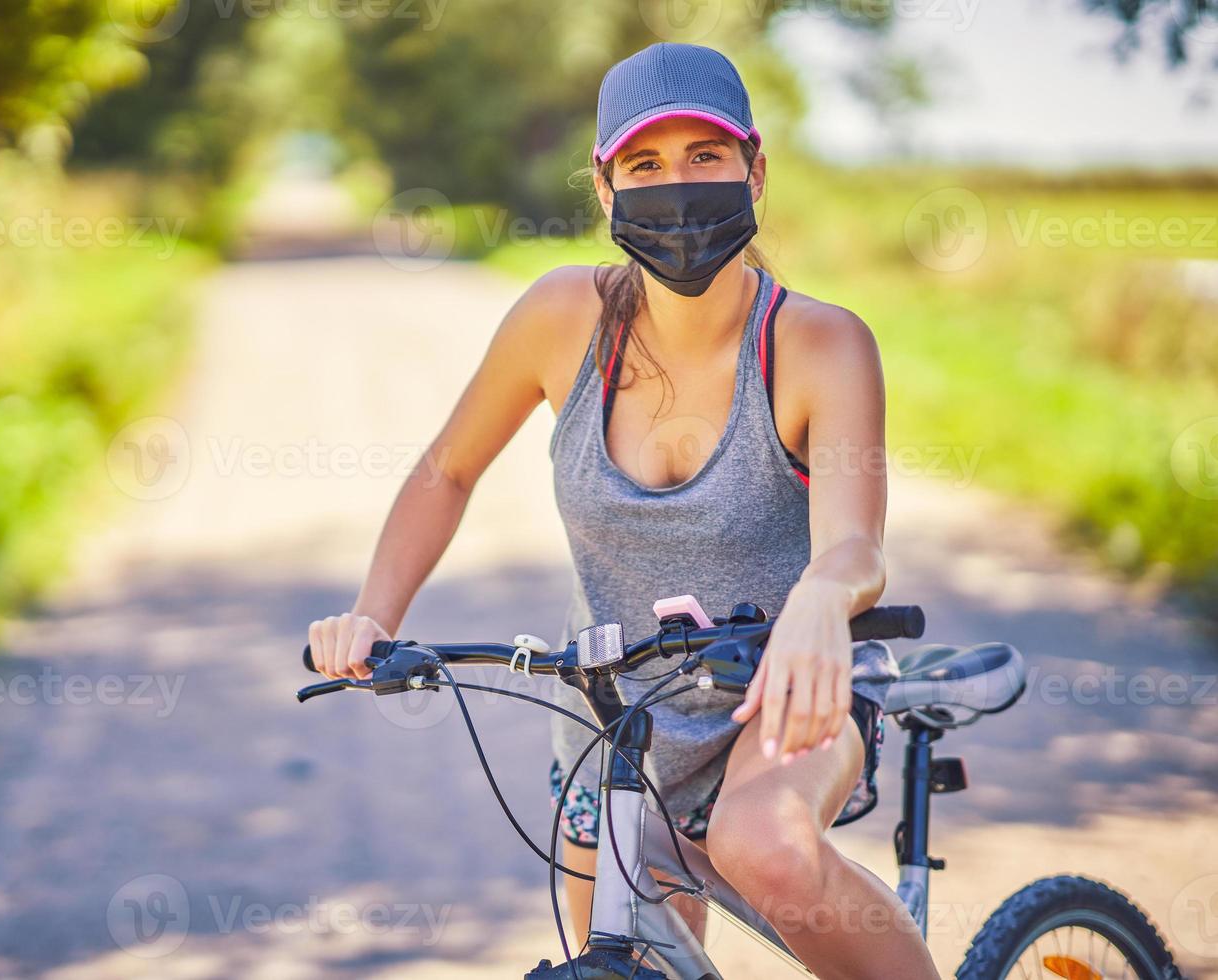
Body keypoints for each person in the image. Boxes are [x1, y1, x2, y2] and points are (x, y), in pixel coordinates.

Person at [308, 41, 939, 979]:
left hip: (782, 700)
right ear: (604, 190)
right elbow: (447, 472)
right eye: (645, 165)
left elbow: (854, 546)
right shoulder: (562, 321)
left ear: (755, 170)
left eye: (705, 157)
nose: (676, 186)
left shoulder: (818, 345)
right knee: (624, 954)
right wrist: (374, 615)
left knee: (762, 845)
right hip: (617, 720)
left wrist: (818, 602)